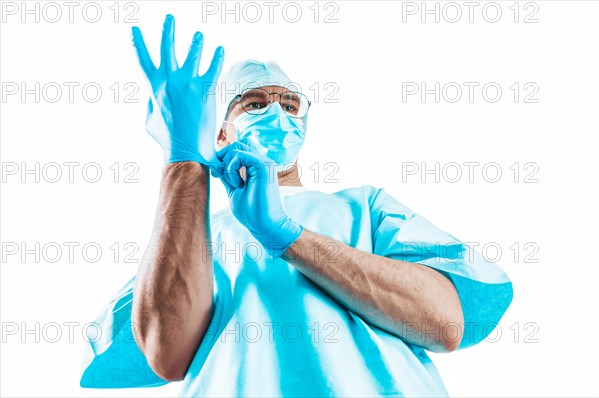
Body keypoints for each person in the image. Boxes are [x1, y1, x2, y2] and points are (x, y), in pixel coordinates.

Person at [79, 15, 513, 397]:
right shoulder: (191, 237)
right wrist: (184, 158)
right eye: (253, 103)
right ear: (220, 133)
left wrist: (287, 236)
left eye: (290, 104)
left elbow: (444, 323)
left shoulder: (364, 207)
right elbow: (166, 352)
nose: (277, 114)